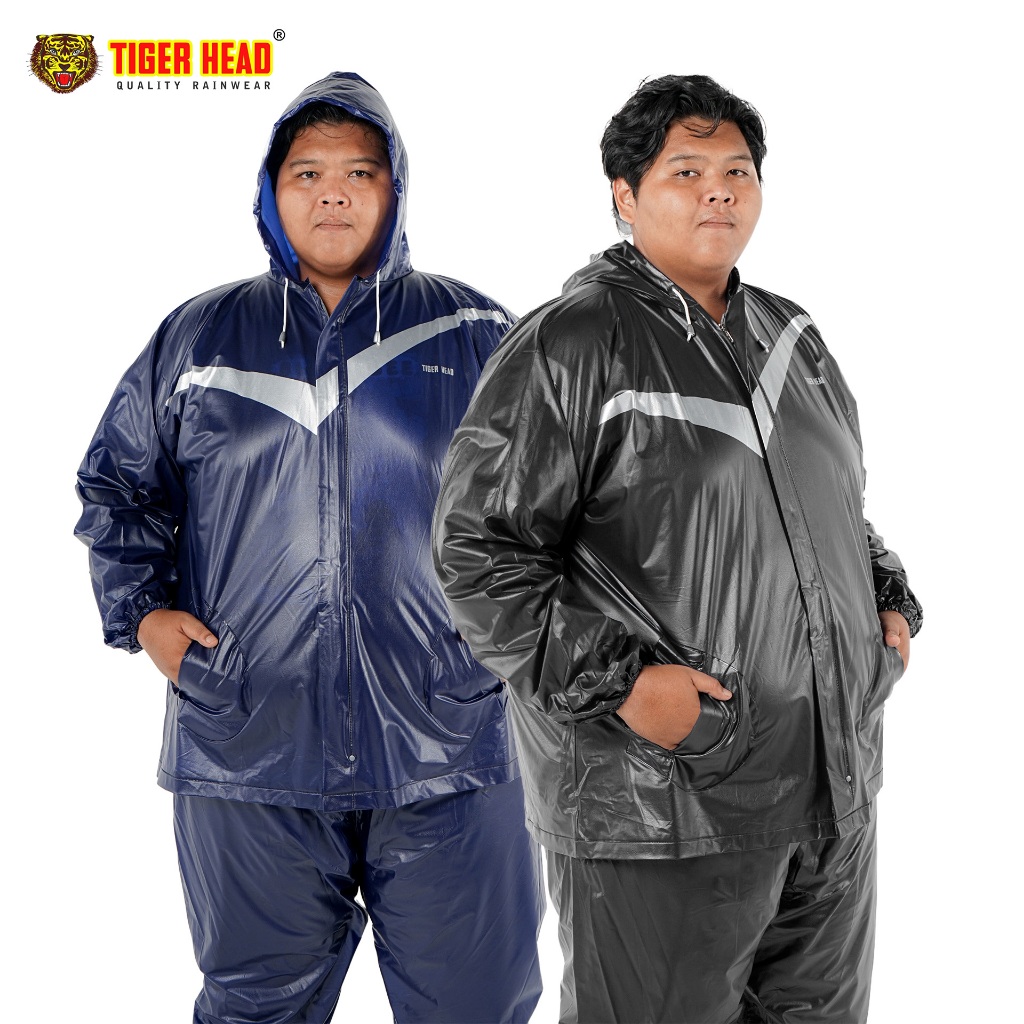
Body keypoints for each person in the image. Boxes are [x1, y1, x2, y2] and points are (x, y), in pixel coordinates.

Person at [433, 74, 922, 1024]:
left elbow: (825, 511)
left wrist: (884, 600)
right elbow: (477, 555)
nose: (719, 192)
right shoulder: (573, 343)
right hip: (659, 808)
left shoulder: (793, 337)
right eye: (687, 171)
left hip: (831, 798)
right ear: (624, 195)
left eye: (737, 171)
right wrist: (624, 686)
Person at [76, 71, 543, 1024]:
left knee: (479, 1004)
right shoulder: (199, 339)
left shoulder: (477, 331)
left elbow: (563, 507)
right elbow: (117, 485)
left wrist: (510, 645)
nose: (333, 193)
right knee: (256, 1007)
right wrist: (145, 617)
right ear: (271, 192)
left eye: (359, 171)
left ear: (395, 188)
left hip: (450, 737)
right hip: (247, 739)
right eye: (307, 173)